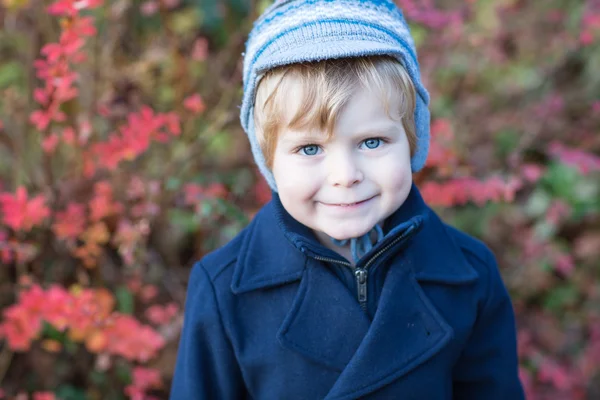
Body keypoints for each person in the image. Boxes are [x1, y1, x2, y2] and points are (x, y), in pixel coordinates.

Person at [170, 0, 525, 399]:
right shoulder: (224, 291)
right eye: (309, 149)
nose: (345, 176)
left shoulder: (469, 276)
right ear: (268, 158)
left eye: (372, 142)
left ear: (412, 140)